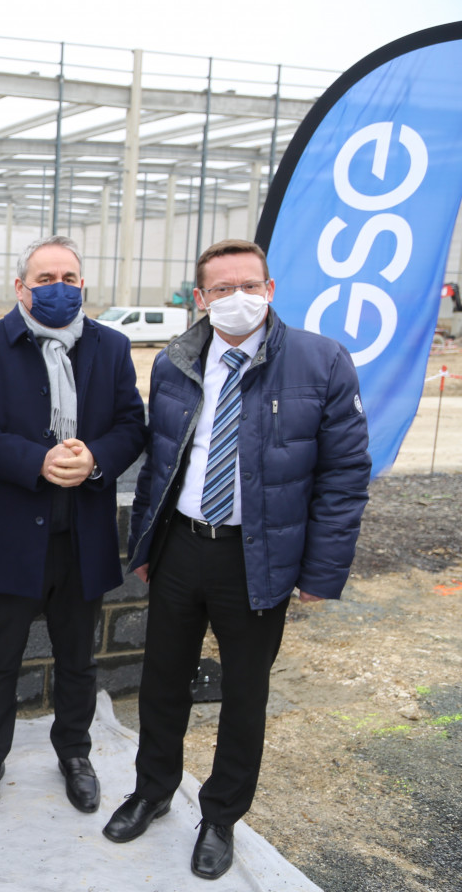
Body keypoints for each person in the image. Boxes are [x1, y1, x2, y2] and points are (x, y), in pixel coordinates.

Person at [103, 239, 370, 880]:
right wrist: (144, 544)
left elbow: (344, 476)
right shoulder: (175, 362)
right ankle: (154, 789)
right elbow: (159, 464)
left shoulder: (321, 362)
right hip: (180, 548)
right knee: (162, 679)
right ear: (201, 299)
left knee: (244, 693)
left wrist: (321, 571)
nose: (237, 298)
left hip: (258, 557)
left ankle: (220, 816)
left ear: (270, 290)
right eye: (222, 289)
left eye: (249, 285)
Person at [0, 235, 146, 814]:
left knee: (78, 658)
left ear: (83, 285)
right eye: (45, 279)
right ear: (21, 288)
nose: (59, 288)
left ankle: (75, 754)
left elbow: (132, 423)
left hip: (83, 534)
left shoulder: (110, 347)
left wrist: (96, 459)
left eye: (69, 278)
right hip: (11, 532)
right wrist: (36, 460)